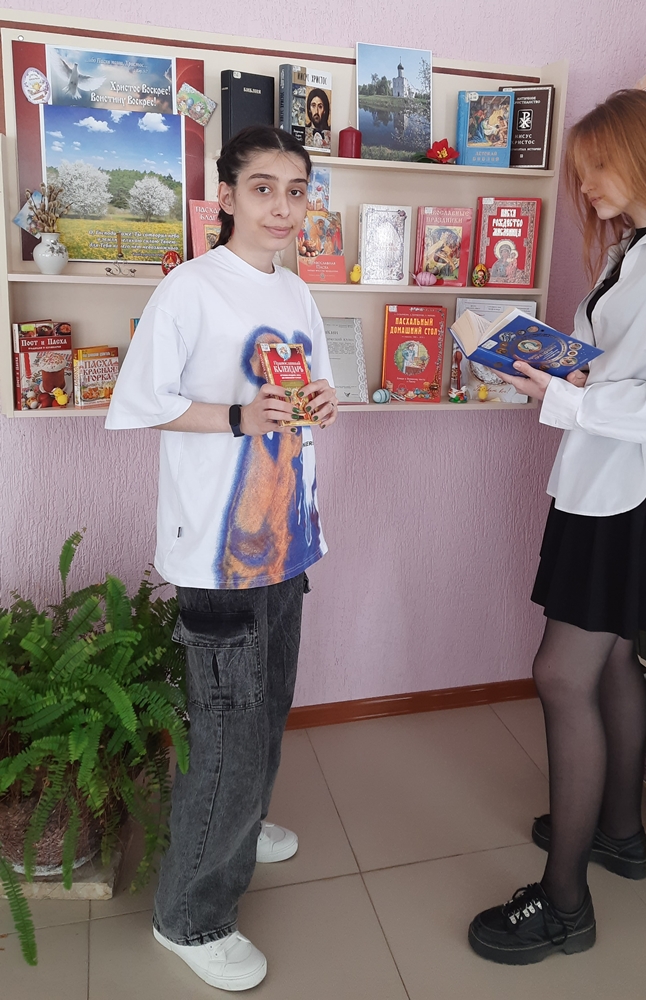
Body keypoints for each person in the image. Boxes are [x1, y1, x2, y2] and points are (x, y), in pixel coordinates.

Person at [467, 88, 646, 966]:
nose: (585, 190)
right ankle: (617, 833)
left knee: (560, 675)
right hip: (599, 483)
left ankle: (564, 904)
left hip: (635, 495)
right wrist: (554, 371)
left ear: (641, 156)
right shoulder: (638, 246)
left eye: (595, 170)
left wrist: (568, 398)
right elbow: (623, 367)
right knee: (611, 661)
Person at [105, 125, 338, 992]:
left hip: (288, 537)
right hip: (216, 552)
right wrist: (238, 418)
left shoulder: (296, 290)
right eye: (263, 187)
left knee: (267, 709)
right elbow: (141, 403)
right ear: (228, 198)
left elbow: (302, 395)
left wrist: (321, 403)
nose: (282, 206)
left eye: (296, 190)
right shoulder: (189, 289)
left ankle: (242, 823)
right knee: (228, 736)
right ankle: (190, 917)